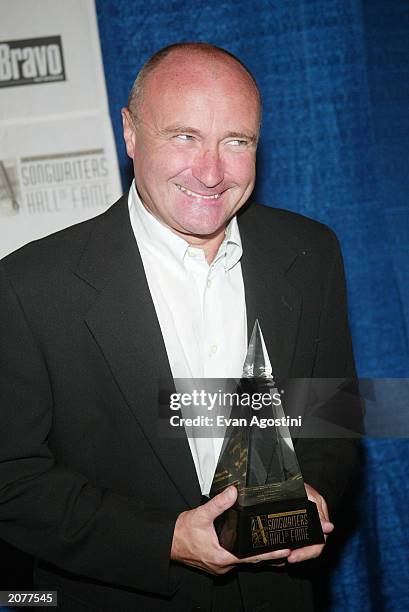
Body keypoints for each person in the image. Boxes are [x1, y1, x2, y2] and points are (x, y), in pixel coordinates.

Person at [0, 43, 360, 611]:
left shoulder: (311, 253)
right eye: (184, 136)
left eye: (236, 141)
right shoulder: (29, 287)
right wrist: (163, 538)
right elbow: (11, 481)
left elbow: (330, 416)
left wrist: (310, 492)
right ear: (130, 133)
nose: (212, 172)